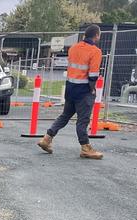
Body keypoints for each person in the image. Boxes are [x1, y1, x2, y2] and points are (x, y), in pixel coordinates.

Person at [38, 25, 104, 159]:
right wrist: (92, 90)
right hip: (84, 91)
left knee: (65, 116)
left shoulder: (73, 48)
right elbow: (93, 75)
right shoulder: (95, 51)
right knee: (82, 120)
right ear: (96, 35)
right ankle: (85, 148)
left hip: (70, 89)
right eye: (99, 35)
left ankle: (47, 138)